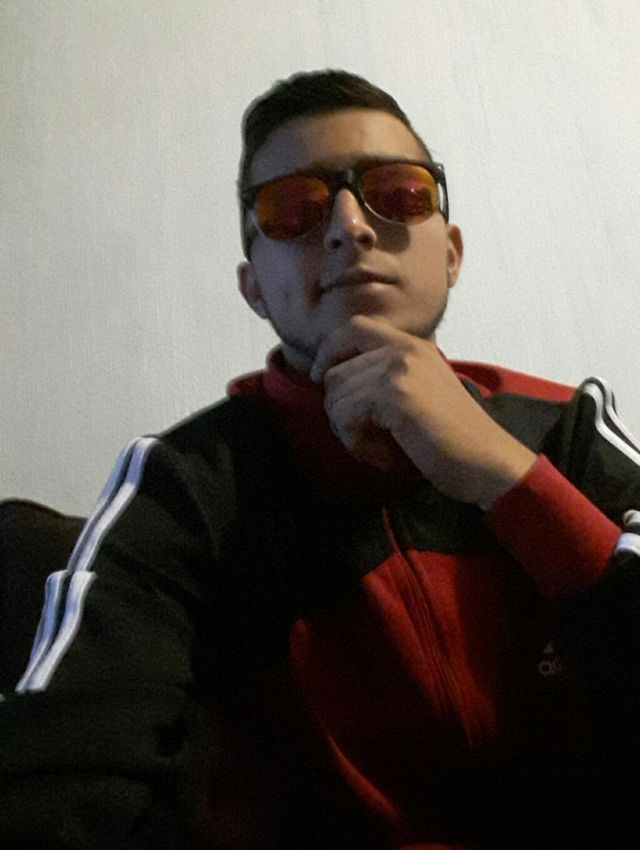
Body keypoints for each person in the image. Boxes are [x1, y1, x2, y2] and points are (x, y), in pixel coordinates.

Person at [1, 69, 639, 850]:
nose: (349, 227)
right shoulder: (180, 486)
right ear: (254, 290)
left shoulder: (566, 426)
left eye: (398, 194)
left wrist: (506, 477)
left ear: (451, 255)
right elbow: (65, 779)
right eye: (294, 210)